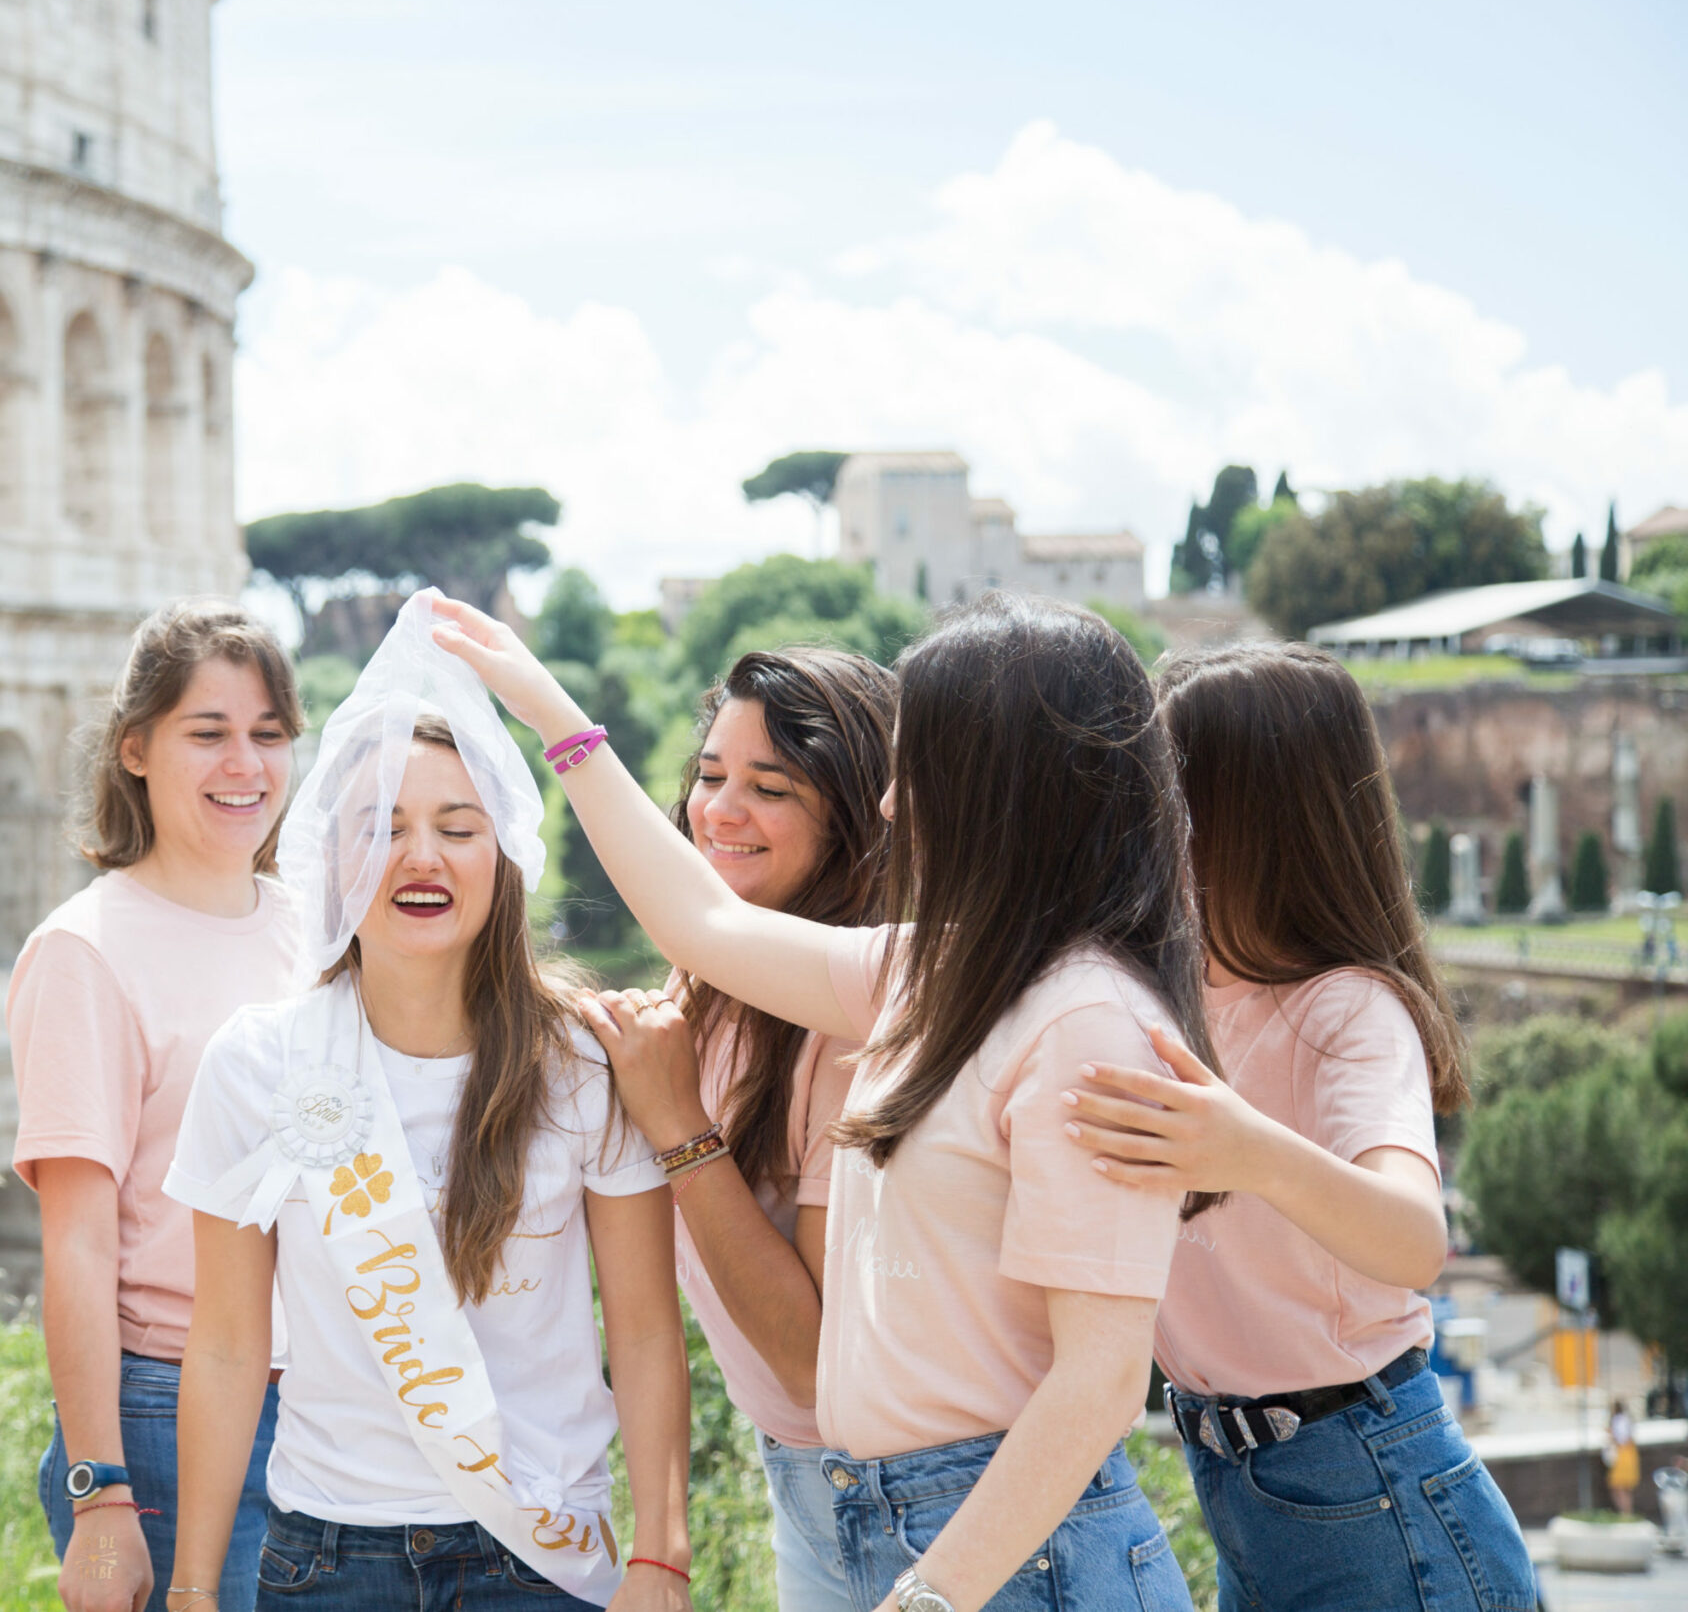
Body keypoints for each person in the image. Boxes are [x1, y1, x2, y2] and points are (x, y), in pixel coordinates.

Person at [435, 589, 1204, 1612]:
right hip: (884, 1510)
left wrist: (929, 1597)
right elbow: (700, 923)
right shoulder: (930, 973)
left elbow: (1100, 1380)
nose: (888, 807)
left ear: (1001, 785)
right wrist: (552, 715)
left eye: (915, 770)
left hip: (1010, 1548)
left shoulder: (1085, 1022)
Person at [163, 593, 692, 1612]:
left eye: (458, 828)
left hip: (540, 1554)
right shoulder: (257, 1062)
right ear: (332, 859)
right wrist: (191, 1587)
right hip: (325, 1557)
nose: (421, 857)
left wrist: (661, 1556)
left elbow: (643, 1330)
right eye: (381, 829)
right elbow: (226, 1344)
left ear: (505, 855)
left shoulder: (582, 1060)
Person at [1057, 644, 1536, 1612]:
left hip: (1375, 1492)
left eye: (1163, 791)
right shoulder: (1154, 994)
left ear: (1245, 816)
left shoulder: (1348, 1010)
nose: (1137, 821)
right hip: (1249, 1488)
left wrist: (1249, 1151)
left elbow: (1414, 1239)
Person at [576, 648, 894, 1611]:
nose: (720, 811)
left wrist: (678, 1123)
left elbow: (813, 1360)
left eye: (771, 787)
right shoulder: (711, 981)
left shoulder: (856, 1030)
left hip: (896, 1493)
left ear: (855, 815)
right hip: (805, 1476)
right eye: (710, 775)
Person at [10, 599, 310, 1612]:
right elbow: (78, 1242)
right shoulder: (85, 949)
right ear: (134, 748)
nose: (245, 764)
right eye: (208, 733)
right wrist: (101, 1493)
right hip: (163, 1409)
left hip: (330, 1403)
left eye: (269, 733)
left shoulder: (316, 931)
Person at [1611, 1399, 1640, 1518]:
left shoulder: (1618, 1420)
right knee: (1625, 1488)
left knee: (1619, 1486)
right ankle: (1628, 1512)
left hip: (1622, 1455)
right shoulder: (1627, 1419)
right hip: (1629, 1454)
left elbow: (1621, 1439)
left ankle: (1625, 1513)